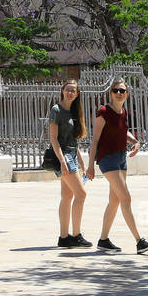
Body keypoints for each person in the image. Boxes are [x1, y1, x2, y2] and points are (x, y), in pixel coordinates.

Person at [87, 78, 148, 254]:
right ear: (110, 93)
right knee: (126, 198)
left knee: (115, 201)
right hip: (107, 159)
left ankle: (103, 240)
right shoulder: (103, 112)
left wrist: (136, 142)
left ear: (127, 94)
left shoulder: (123, 111)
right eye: (116, 90)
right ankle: (139, 241)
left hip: (121, 158)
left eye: (122, 91)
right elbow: (94, 140)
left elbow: (123, 131)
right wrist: (90, 166)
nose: (119, 93)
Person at [48, 80, 91, 249]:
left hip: (72, 155)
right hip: (63, 156)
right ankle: (76, 235)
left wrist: (83, 164)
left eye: (74, 90)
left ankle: (64, 237)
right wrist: (62, 161)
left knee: (67, 197)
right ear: (62, 91)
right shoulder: (56, 110)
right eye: (68, 90)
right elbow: (53, 138)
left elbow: (74, 142)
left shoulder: (74, 111)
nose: (70, 93)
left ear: (77, 94)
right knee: (81, 194)